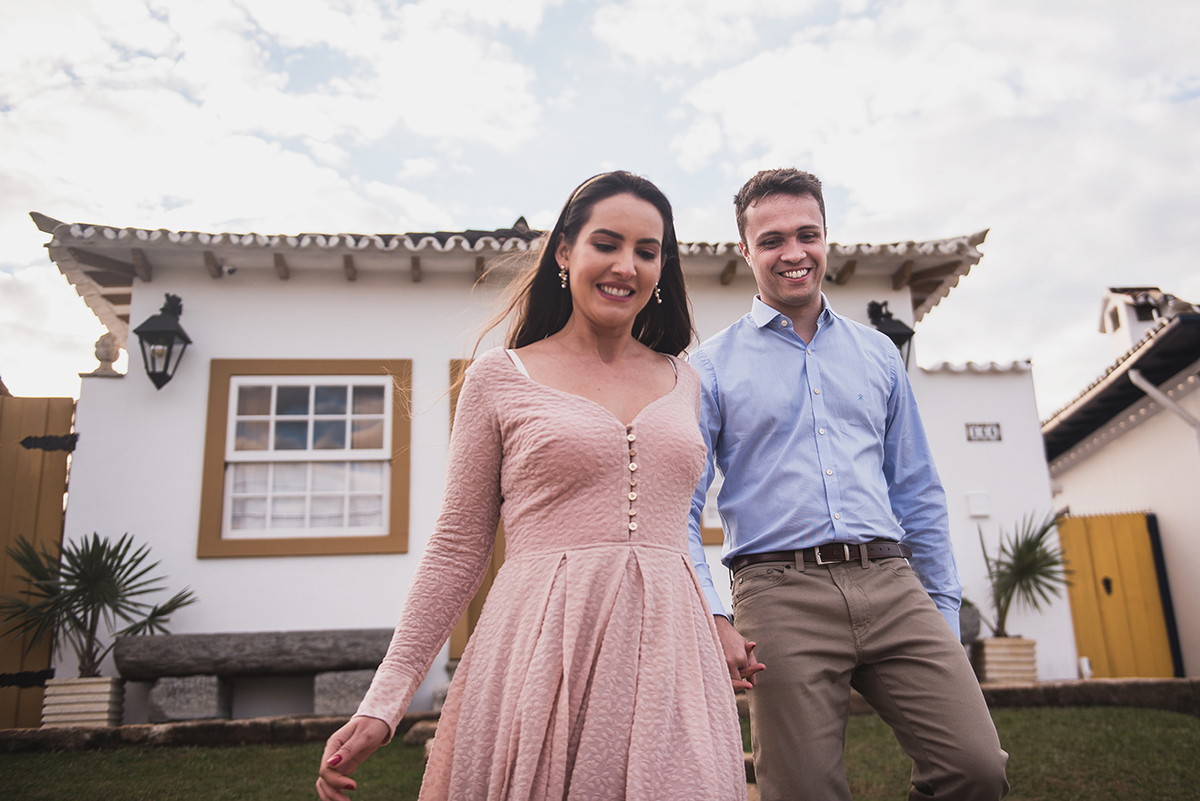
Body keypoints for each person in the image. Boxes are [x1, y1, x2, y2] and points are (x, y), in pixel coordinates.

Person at [318, 171, 748, 801]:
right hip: (542, 650)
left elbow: (697, 518)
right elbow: (458, 547)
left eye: (647, 251)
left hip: (671, 654)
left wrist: (723, 616)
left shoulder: (688, 382)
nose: (626, 265)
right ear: (564, 252)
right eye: (607, 243)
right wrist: (386, 700)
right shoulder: (499, 377)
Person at [687, 168, 1010, 801]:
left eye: (807, 234)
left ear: (827, 238)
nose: (793, 252)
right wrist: (717, 614)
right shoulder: (709, 367)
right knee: (803, 791)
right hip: (778, 596)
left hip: (892, 583)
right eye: (773, 239)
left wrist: (942, 606)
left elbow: (916, 488)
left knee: (975, 769)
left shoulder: (879, 354)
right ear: (746, 251)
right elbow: (683, 504)